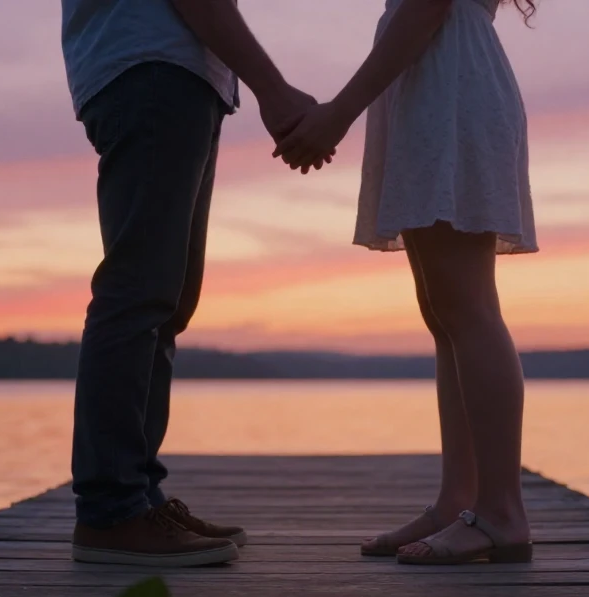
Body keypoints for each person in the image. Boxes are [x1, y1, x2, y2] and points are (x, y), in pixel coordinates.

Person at [274, 0, 539, 565]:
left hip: (450, 88)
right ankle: (459, 502)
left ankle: (501, 513)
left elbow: (426, 7)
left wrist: (338, 113)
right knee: (446, 312)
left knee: (467, 309)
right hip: (435, 87)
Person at [60, 1, 323, 566]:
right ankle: (113, 509)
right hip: (152, 70)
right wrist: (272, 88)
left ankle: (138, 496)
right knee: (139, 294)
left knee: (164, 301)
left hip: (163, 74)